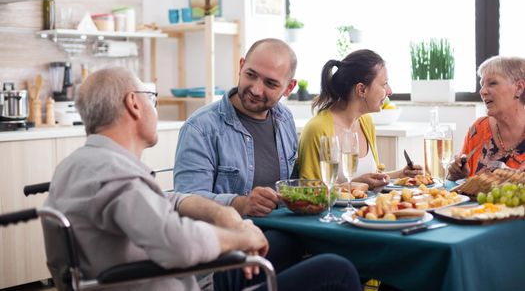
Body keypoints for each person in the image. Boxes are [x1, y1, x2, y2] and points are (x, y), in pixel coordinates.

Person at [44, 67, 361, 291]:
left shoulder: (79, 164)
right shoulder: (115, 172)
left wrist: (231, 217)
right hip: (182, 280)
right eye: (152, 98)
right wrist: (240, 239)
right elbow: (176, 243)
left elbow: (172, 199)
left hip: (181, 274)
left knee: (286, 243)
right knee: (337, 268)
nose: (155, 107)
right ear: (133, 104)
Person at [174, 38, 298, 217]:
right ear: (241, 67)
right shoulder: (200, 128)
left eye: (270, 83)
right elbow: (186, 201)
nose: (256, 90)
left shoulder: (285, 119)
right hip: (228, 236)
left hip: (283, 229)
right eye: (251, 75)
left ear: (289, 87)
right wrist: (241, 204)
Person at [298, 49, 423, 189]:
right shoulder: (317, 129)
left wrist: (401, 174)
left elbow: (370, 178)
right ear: (361, 90)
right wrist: (353, 185)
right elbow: (308, 192)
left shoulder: (366, 122)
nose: (389, 91)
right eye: (384, 84)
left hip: (367, 209)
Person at [448, 56, 525, 180]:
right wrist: (457, 176)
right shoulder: (478, 129)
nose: (482, 91)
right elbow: (459, 190)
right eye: (482, 84)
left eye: (492, 83)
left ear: (519, 88)